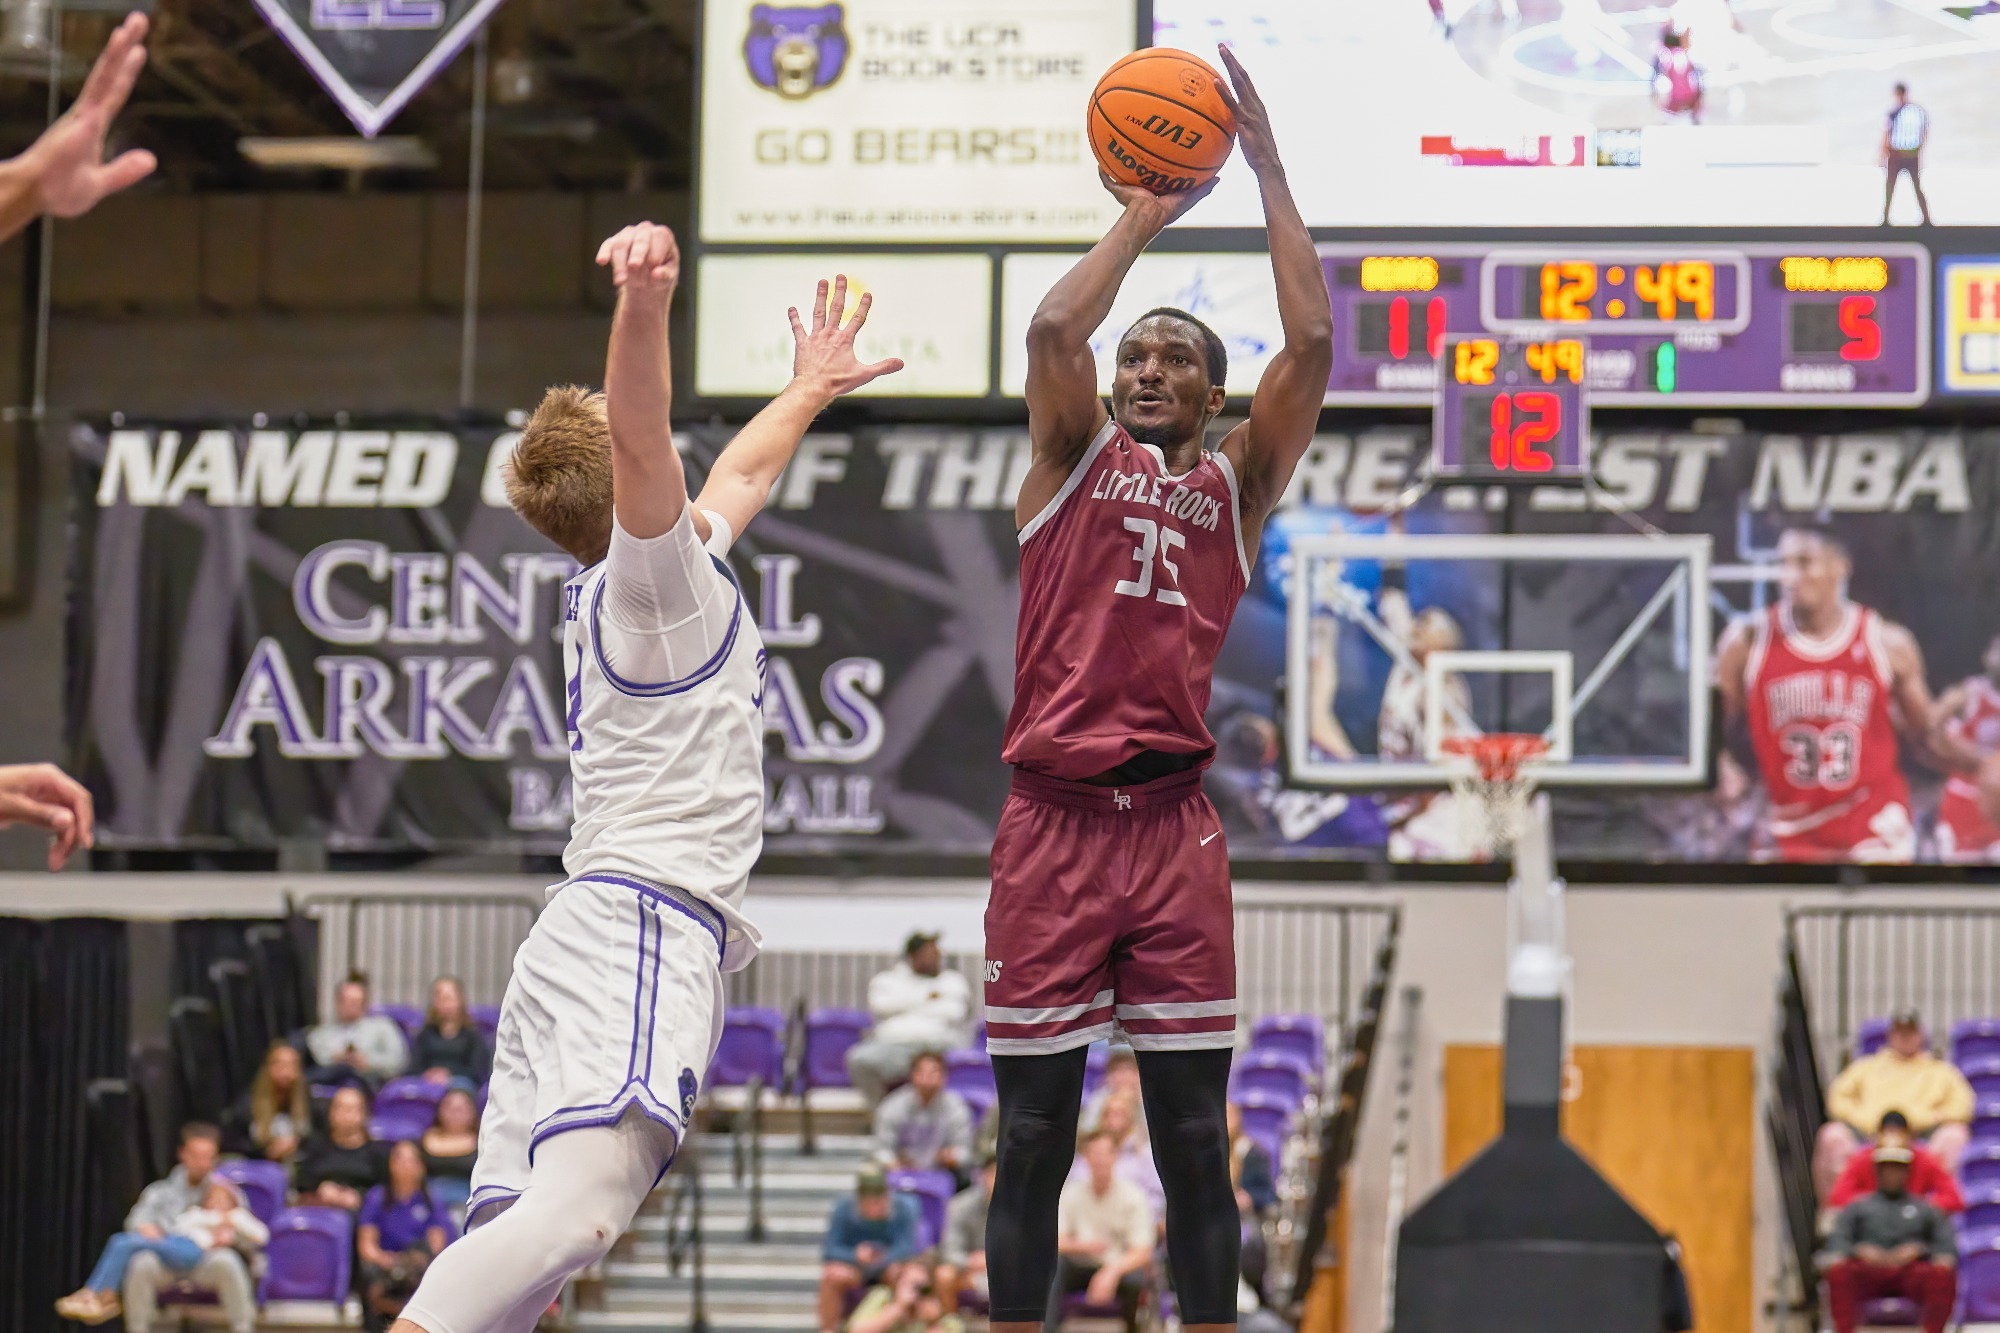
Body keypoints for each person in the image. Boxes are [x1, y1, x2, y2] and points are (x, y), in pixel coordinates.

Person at [386, 228, 901, 1333]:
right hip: (639, 926)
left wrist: (807, 387)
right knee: (575, 1225)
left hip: (587, 926)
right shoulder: (651, 584)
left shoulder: (665, 573)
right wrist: (643, 303)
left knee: (518, 1263)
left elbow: (741, 474)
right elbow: (646, 442)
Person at [987, 46, 1330, 1333]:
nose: (1142, 370)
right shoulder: (1070, 456)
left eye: (1172, 359)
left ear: (1211, 394)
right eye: (1135, 357)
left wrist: (1267, 169)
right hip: (1050, 823)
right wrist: (1151, 201)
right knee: (1030, 1135)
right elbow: (1050, 329)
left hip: (1172, 831)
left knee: (1195, 1134)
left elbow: (1310, 337)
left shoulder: (1233, 489)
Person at [1715, 527, 1972, 863]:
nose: (1790, 576)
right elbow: (1711, 730)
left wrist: (1979, 762)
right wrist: (1722, 766)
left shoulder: (1886, 642)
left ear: (1840, 567)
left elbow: (1924, 737)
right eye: (1784, 564)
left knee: (1877, 906)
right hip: (1790, 822)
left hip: (1872, 819)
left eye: (1805, 563)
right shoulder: (1747, 642)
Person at [53, 1123, 228, 1325]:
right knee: (138, 1259)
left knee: (122, 1243)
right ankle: (119, 1312)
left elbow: (247, 1227)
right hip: (164, 1254)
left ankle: (97, 1295)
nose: (203, 1163)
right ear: (183, 1154)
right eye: (197, 1155)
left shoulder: (222, 1192)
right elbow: (136, 1219)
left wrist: (227, 1234)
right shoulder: (161, 1191)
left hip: (202, 1253)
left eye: (208, 1156)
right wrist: (145, 1227)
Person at [1816, 1010, 1974, 1193]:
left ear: (1920, 1035)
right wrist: (1862, 1117)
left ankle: (1938, 1208)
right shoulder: (1866, 1067)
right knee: (1831, 1134)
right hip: (1869, 1134)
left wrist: (1929, 1117)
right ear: (1891, 1036)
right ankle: (1841, 1209)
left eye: (1910, 1033)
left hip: (1922, 1136)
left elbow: (1963, 1105)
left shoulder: (1941, 1071)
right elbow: (1837, 1098)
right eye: (1900, 1033)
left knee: (1955, 1136)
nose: (1905, 1038)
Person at [1820, 1144, 1957, 1333]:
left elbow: (1946, 1248)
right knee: (1840, 1272)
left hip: (1910, 1272)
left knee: (1941, 1274)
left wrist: (1919, 1251)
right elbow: (1837, 1243)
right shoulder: (1858, 1207)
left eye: (1898, 1168)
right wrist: (1858, 1251)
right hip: (1869, 1270)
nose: (1892, 1174)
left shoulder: (1925, 1209)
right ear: (1878, 1171)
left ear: (1907, 1172)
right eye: (1887, 1168)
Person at [1049, 1131, 1158, 1333]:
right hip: (1079, 1264)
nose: (1099, 1159)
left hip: (1118, 1264)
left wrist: (1110, 1272)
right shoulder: (1071, 1193)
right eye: (1094, 1153)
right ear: (1086, 1157)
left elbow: (1143, 1250)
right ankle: (1048, 1329)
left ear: (1115, 1156)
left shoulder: (1133, 1196)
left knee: (1137, 1279)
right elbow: (1055, 1241)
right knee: (1052, 1267)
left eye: (1105, 1153)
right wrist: (1083, 1246)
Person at [848, 932, 973, 1104]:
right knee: (859, 1060)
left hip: (940, 1044)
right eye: (929, 952)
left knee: (968, 1061)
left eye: (937, 953)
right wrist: (928, 998)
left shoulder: (952, 980)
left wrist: (903, 1004)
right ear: (913, 955)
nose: (936, 957)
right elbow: (880, 1006)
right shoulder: (888, 980)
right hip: (894, 1044)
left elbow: (955, 1011)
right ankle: (882, 1115)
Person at [359, 1142, 454, 1333]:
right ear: (390, 1165)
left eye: (411, 1160)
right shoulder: (376, 1197)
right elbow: (366, 1245)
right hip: (387, 1265)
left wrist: (413, 1262)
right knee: (371, 1281)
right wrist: (385, 1260)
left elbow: (436, 1243)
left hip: (417, 1265)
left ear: (421, 1166)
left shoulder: (430, 1199)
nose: (405, 1165)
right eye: (399, 1159)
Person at [820, 1166, 926, 1333]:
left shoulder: (905, 1207)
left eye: (878, 1200)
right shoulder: (844, 1209)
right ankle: (828, 1329)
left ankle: (908, 1326)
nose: (874, 1207)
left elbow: (907, 1247)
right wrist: (855, 1255)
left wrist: (882, 1257)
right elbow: (830, 1250)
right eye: (868, 1201)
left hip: (889, 1268)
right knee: (831, 1274)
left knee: (911, 1275)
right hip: (857, 1269)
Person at [1931, 634, 2000, 862]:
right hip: (1966, 800)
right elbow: (1933, 732)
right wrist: (1977, 758)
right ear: (1987, 657)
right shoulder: (1966, 694)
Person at [1827, 1112, 1963, 1216]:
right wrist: (1874, 1206)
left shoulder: (1924, 1159)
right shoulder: (1863, 1159)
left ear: (1909, 1136)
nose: (1892, 1138)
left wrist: (1917, 1207)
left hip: (1914, 1222)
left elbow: (1953, 1198)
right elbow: (1839, 1197)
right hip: (1871, 1223)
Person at [874, 1050, 975, 1178]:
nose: (927, 1077)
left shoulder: (956, 1107)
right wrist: (895, 1165)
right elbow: (882, 1151)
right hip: (901, 1174)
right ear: (912, 1075)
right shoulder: (892, 1106)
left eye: (934, 1072)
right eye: (922, 1072)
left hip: (942, 1173)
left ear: (944, 1077)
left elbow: (965, 1153)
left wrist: (950, 1156)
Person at [307, 973, 411, 1086]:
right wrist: (335, 1058)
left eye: (355, 1002)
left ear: (364, 1004)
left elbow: (398, 1060)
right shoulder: (322, 1032)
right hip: (329, 1080)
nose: (349, 1006)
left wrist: (368, 1062)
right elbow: (316, 1056)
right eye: (345, 1000)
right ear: (337, 1002)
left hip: (369, 1081)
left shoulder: (383, 1027)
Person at [297, 1085, 387, 1210]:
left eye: (352, 1109)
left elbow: (384, 1193)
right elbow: (301, 1184)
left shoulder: (377, 1153)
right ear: (330, 1113)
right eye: (340, 1108)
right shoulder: (315, 1147)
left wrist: (360, 1197)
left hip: (361, 1215)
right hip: (321, 1210)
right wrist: (320, 1189)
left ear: (364, 1114)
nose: (346, 1114)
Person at [225, 1039, 310, 1161]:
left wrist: (297, 1144)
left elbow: (320, 1138)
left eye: (292, 1065)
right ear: (268, 1068)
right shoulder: (247, 1105)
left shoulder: (309, 1101)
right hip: (260, 1166)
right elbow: (231, 1143)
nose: (286, 1071)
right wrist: (265, 1151)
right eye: (279, 1064)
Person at [1227, 1104, 1278, 1306]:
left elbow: (1269, 1196)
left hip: (1246, 1223)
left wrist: (1249, 1198)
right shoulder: (1208, 1155)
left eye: (1228, 1115)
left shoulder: (1252, 1153)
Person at [936, 1156, 997, 1314]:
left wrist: (994, 1261)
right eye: (993, 1174)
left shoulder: (1025, 1208)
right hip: (972, 1270)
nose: (999, 1180)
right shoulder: (960, 1205)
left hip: (1009, 1272)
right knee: (944, 1275)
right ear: (983, 1176)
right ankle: (951, 1325)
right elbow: (950, 1251)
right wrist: (970, 1261)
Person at [410, 976, 492, 1089]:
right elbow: (413, 1068)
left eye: (449, 998)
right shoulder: (424, 1035)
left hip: (462, 1084)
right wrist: (429, 1074)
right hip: (429, 1084)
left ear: (460, 1001)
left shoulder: (473, 1037)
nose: (446, 1003)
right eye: (441, 998)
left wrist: (449, 1074)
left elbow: (478, 1071)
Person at [849, 1262, 964, 1333]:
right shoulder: (883, 1297)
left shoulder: (946, 1321)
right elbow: (857, 1330)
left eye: (922, 1288)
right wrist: (898, 1307)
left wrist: (933, 1323)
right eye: (909, 1285)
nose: (916, 1293)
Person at [420, 1088, 481, 1213]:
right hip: (427, 1203)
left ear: (472, 1113)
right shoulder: (422, 1140)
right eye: (449, 1108)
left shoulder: (483, 1143)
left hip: (468, 1204)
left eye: (460, 1109)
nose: (454, 1114)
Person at [1881, 83, 1932, 227]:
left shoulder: (1909, 112)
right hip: (1901, 154)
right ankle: (1885, 218)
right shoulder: (1902, 112)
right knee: (1891, 186)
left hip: (1904, 154)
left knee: (1913, 185)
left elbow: (1887, 134)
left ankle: (1926, 219)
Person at [1078, 1048, 1148, 1145]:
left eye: (1129, 1070)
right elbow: (1087, 1129)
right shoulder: (1099, 1097)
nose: (1124, 1077)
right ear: (1109, 1076)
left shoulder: (1149, 1098)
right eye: (1117, 1071)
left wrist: (1135, 1102)